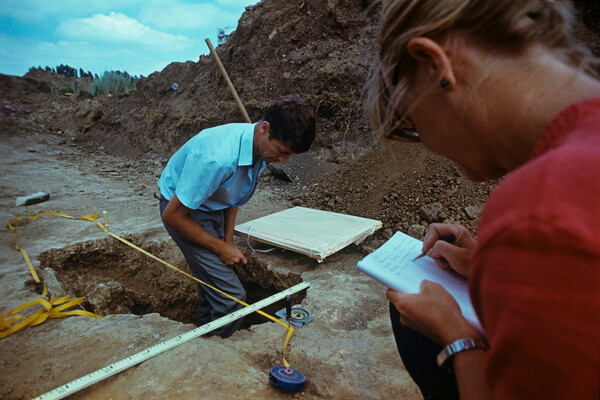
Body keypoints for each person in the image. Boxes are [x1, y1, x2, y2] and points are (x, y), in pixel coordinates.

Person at [367, 0, 600, 399]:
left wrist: (456, 336)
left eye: (414, 124)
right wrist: (489, 268)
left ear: (436, 64)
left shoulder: (539, 211)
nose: (429, 146)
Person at [157, 95, 316, 337]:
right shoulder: (217, 159)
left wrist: (228, 240)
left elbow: (233, 194)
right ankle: (219, 348)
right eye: (282, 152)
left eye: (289, 155)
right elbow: (172, 217)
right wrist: (220, 248)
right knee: (231, 298)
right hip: (183, 211)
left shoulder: (258, 146)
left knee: (212, 287)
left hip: (210, 203)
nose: (283, 161)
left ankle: (204, 335)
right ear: (265, 129)